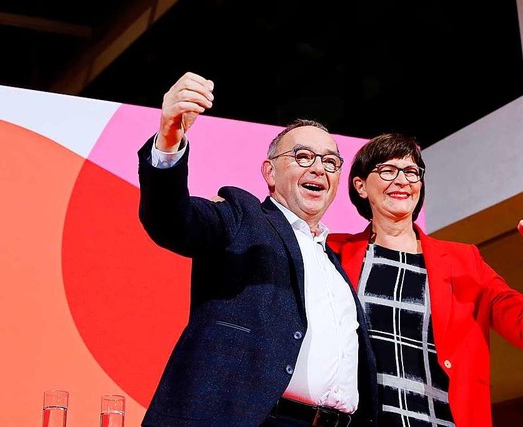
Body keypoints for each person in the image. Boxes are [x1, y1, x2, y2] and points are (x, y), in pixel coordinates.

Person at [137, 71, 378, 427]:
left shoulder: (333, 264)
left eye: (330, 162)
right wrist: (170, 137)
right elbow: (172, 220)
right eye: (303, 156)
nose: (320, 168)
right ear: (270, 172)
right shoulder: (242, 216)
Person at [327, 133, 523, 426]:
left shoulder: (464, 261)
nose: (402, 180)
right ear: (360, 186)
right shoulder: (334, 253)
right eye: (388, 170)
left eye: (411, 172)